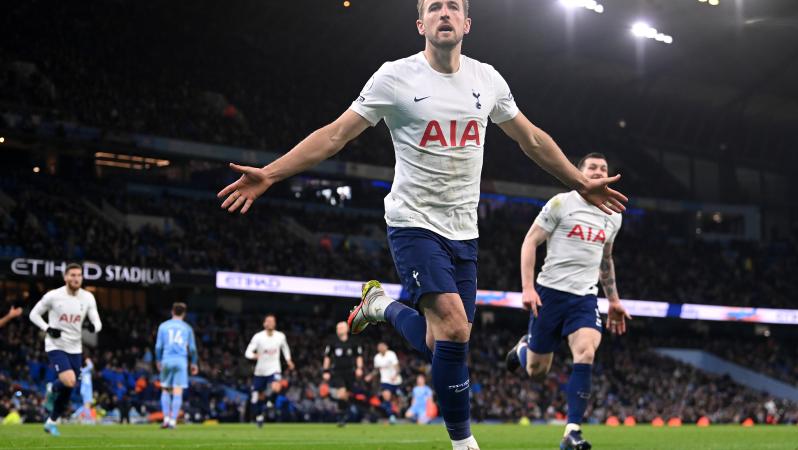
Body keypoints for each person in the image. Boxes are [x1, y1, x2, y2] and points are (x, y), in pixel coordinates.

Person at [217, 1, 626, 447]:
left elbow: (530, 139)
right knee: (454, 327)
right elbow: (335, 134)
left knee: (440, 342)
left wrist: (579, 183)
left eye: (453, 6)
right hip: (412, 223)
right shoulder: (395, 77)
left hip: (464, 231)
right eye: (434, 7)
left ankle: (381, 306)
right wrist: (270, 173)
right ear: (420, 23)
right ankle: (464, 443)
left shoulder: (487, 79)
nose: (443, 12)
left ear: (467, 23)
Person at [504, 153, 633, 450]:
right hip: (549, 294)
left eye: (603, 168)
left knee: (586, 352)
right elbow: (530, 241)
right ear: (579, 173)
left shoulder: (614, 215)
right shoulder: (561, 203)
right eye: (592, 167)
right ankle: (523, 348)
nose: (598, 171)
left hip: (584, 298)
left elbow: (606, 259)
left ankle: (571, 432)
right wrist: (527, 288)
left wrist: (613, 299)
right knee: (537, 372)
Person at [29, 263, 102, 436]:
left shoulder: (87, 297)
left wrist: (93, 327)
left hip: (75, 347)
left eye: (79, 275)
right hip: (56, 345)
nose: (76, 278)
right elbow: (33, 314)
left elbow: (97, 322)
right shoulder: (53, 296)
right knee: (69, 380)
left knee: (70, 386)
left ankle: (51, 422)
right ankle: (52, 389)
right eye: (72, 275)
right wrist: (48, 328)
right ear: (65, 277)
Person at [244, 314, 295, 427]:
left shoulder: (280, 336)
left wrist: (288, 360)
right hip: (260, 370)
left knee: (277, 387)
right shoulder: (258, 337)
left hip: (274, 368)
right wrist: (254, 356)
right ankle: (259, 415)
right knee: (259, 395)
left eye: (273, 321)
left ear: (275, 324)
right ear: (264, 324)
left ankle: (270, 402)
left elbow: (285, 348)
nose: (271, 323)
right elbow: (247, 352)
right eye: (268, 321)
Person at [154, 302, 199, 429]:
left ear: (172, 311)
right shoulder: (187, 328)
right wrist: (194, 362)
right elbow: (193, 349)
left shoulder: (163, 326)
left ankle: (166, 419)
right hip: (181, 361)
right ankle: (173, 421)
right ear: (184, 314)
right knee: (177, 391)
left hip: (167, 360)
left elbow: (158, 346)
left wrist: (158, 360)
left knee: (165, 389)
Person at [322, 321, 363, 427]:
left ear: (347, 329)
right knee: (341, 393)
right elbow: (327, 357)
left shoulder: (353, 342)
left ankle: (343, 415)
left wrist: (359, 368)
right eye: (337, 328)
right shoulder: (332, 342)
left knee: (346, 395)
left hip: (350, 372)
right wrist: (325, 371)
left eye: (341, 327)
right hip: (337, 372)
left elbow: (359, 356)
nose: (338, 329)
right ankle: (341, 418)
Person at [72, 356, 95, 424]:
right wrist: (88, 361)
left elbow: (91, 368)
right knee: (87, 405)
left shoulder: (84, 371)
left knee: (87, 405)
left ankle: (85, 417)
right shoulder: (83, 370)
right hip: (86, 389)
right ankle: (83, 417)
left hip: (86, 389)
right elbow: (91, 366)